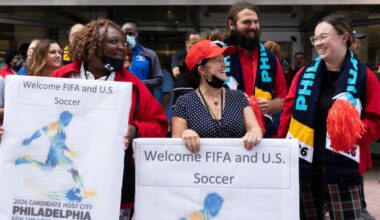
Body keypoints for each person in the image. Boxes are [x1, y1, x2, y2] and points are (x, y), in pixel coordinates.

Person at [50, 18, 168, 220]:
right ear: (93, 45)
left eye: (123, 43)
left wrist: (136, 129)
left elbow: (159, 124)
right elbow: (38, 118)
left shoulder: (133, 85)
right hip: (66, 174)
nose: (122, 47)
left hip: (116, 178)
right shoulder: (62, 77)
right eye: (114, 42)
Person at [278, 15, 380, 219]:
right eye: (314, 39)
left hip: (344, 169)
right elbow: (287, 116)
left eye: (323, 36)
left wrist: (351, 131)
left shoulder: (364, 76)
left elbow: (376, 121)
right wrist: (280, 150)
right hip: (306, 166)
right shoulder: (303, 74)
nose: (318, 43)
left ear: (344, 37)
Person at [172, 39, 263, 153]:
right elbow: (175, 143)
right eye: (218, 60)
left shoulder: (239, 97)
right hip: (200, 169)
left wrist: (254, 134)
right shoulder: (184, 102)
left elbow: (254, 128)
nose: (224, 65)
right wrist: (185, 134)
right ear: (202, 69)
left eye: (223, 59)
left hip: (235, 167)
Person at [225, 2, 287, 138]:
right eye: (247, 22)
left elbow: (283, 100)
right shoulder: (218, 56)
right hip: (226, 135)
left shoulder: (271, 58)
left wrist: (270, 105)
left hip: (263, 135)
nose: (253, 26)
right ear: (232, 24)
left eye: (256, 22)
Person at [349, 29, 375, 220]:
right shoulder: (314, 71)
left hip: (356, 136)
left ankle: (361, 205)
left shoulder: (364, 72)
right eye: (354, 41)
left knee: (356, 176)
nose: (357, 45)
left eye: (358, 42)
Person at [121, 22, 163, 94]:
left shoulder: (149, 54)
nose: (127, 37)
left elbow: (158, 79)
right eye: (124, 34)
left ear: (137, 35)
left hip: (143, 97)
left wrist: (138, 83)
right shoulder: (115, 54)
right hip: (121, 97)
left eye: (130, 34)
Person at [171, 31, 202, 109]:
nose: (196, 45)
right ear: (187, 43)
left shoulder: (202, 56)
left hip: (200, 93)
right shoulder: (178, 56)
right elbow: (176, 73)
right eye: (193, 43)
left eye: (198, 43)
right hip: (183, 93)